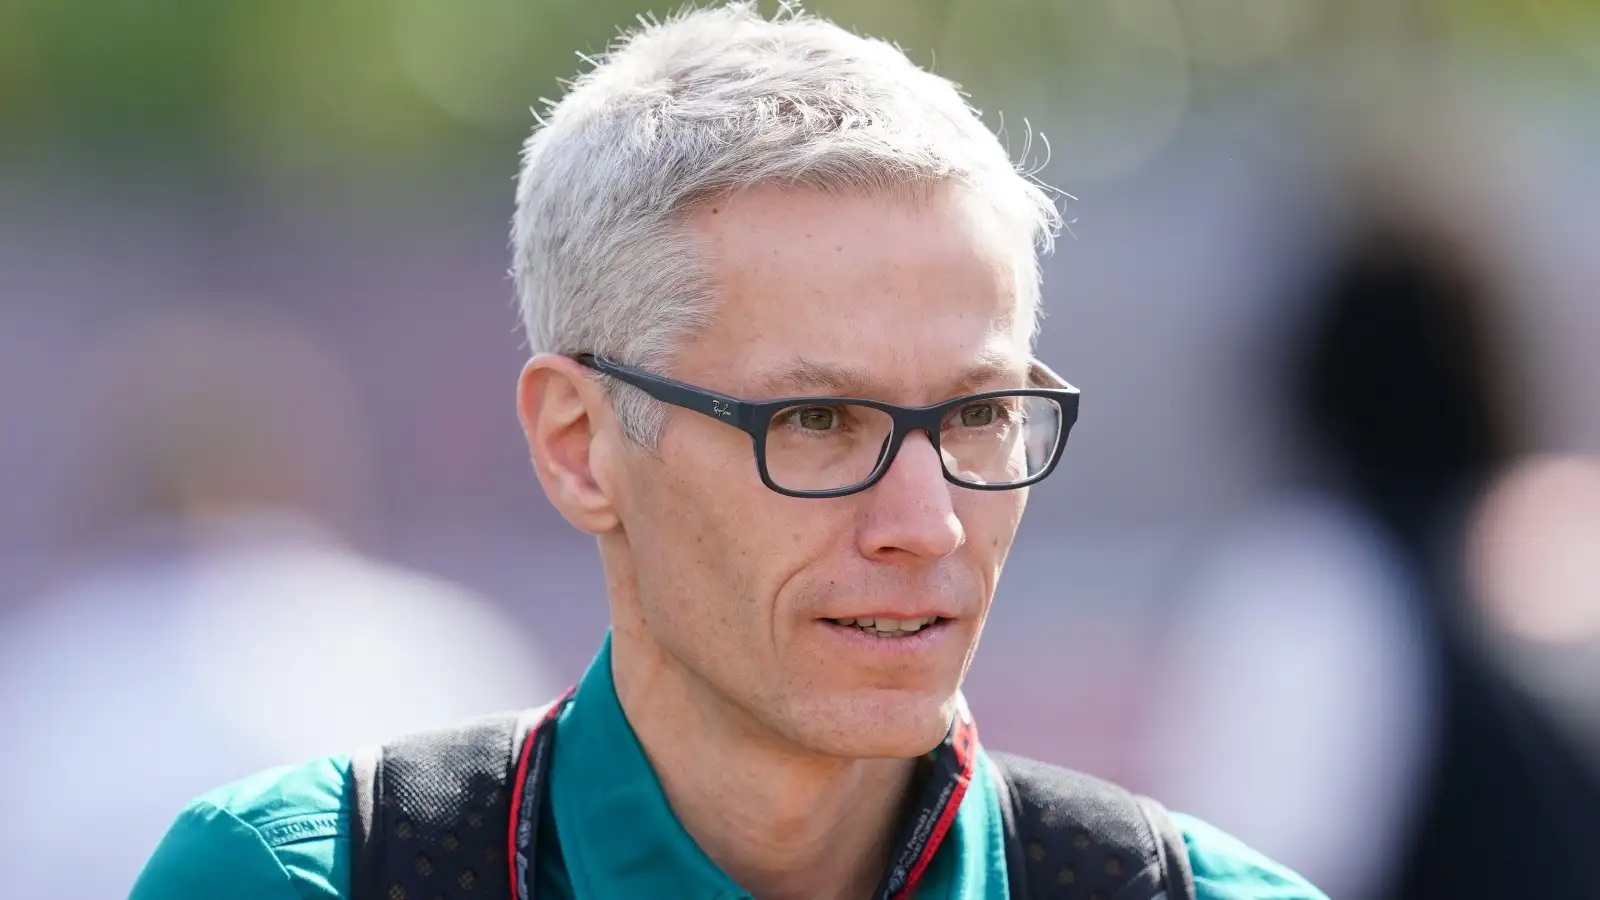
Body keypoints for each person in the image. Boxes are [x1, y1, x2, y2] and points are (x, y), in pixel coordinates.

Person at [130, 5, 1326, 899]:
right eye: (816, 422)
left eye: (975, 416)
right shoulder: (302, 877)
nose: (930, 520)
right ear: (579, 445)